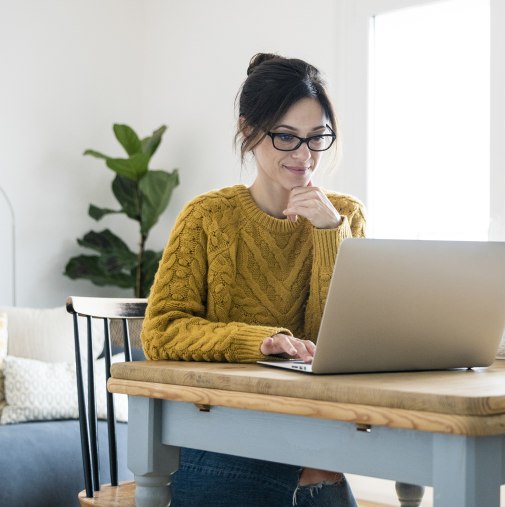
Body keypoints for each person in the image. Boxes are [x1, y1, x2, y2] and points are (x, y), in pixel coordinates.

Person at [141, 53, 366, 507]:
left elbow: (338, 344)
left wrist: (328, 234)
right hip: (217, 430)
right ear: (249, 131)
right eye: (286, 137)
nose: (305, 155)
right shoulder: (208, 217)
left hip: (312, 427)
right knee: (309, 471)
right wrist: (257, 342)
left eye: (317, 137)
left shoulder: (345, 216)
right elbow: (160, 331)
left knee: (317, 467)